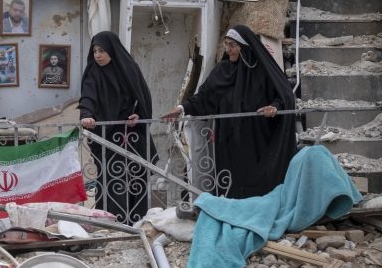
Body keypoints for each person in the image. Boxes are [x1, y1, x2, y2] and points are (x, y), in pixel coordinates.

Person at [161, 25, 296, 199]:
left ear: (244, 47)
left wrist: (275, 107)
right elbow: (204, 97)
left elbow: (285, 95)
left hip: (258, 141)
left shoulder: (263, 71)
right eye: (226, 44)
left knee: (259, 190)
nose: (227, 49)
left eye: (232, 45)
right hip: (229, 143)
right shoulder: (222, 71)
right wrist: (181, 108)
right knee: (232, 186)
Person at [79, 31, 158, 224]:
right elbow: (88, 96)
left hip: (132, 135)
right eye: (95, 51)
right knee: (111, 180)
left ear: (112, 50)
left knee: (136, 179)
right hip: (107, 138)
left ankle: (136, 223)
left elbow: (142, 97)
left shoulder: (128, 68)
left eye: (102, 51)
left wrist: (138, 115)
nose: (97, 55)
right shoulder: (93, 72)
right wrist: (86, 114)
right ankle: (112, 224)